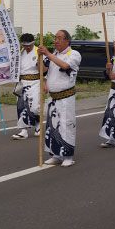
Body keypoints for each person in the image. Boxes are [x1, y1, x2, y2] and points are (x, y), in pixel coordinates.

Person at [37, 30, 81, 167]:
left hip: (66, 97)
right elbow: (42, 70)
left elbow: (65, 66)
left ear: (67, 41)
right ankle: (56, 154)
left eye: (59, 38)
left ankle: (68, 155)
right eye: (55, 38)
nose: (56, 40)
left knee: (65, 125)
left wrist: (48, 54)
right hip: (53, 97)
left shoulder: (73, 54)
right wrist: (39, 57)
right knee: (52, 126)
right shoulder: (53, 54)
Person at [0, 33, 43, 140]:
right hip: (22, 83)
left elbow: (44, 70)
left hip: (35, 82)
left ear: (33, 43)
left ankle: (39, 125)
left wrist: (40, 57)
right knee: (21, 107)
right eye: (25, 45)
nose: (27, 47)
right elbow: (11, 67)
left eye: (29, 45)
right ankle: (23, 130)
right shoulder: (20, 52)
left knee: (35, 107)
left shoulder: (38, 51)